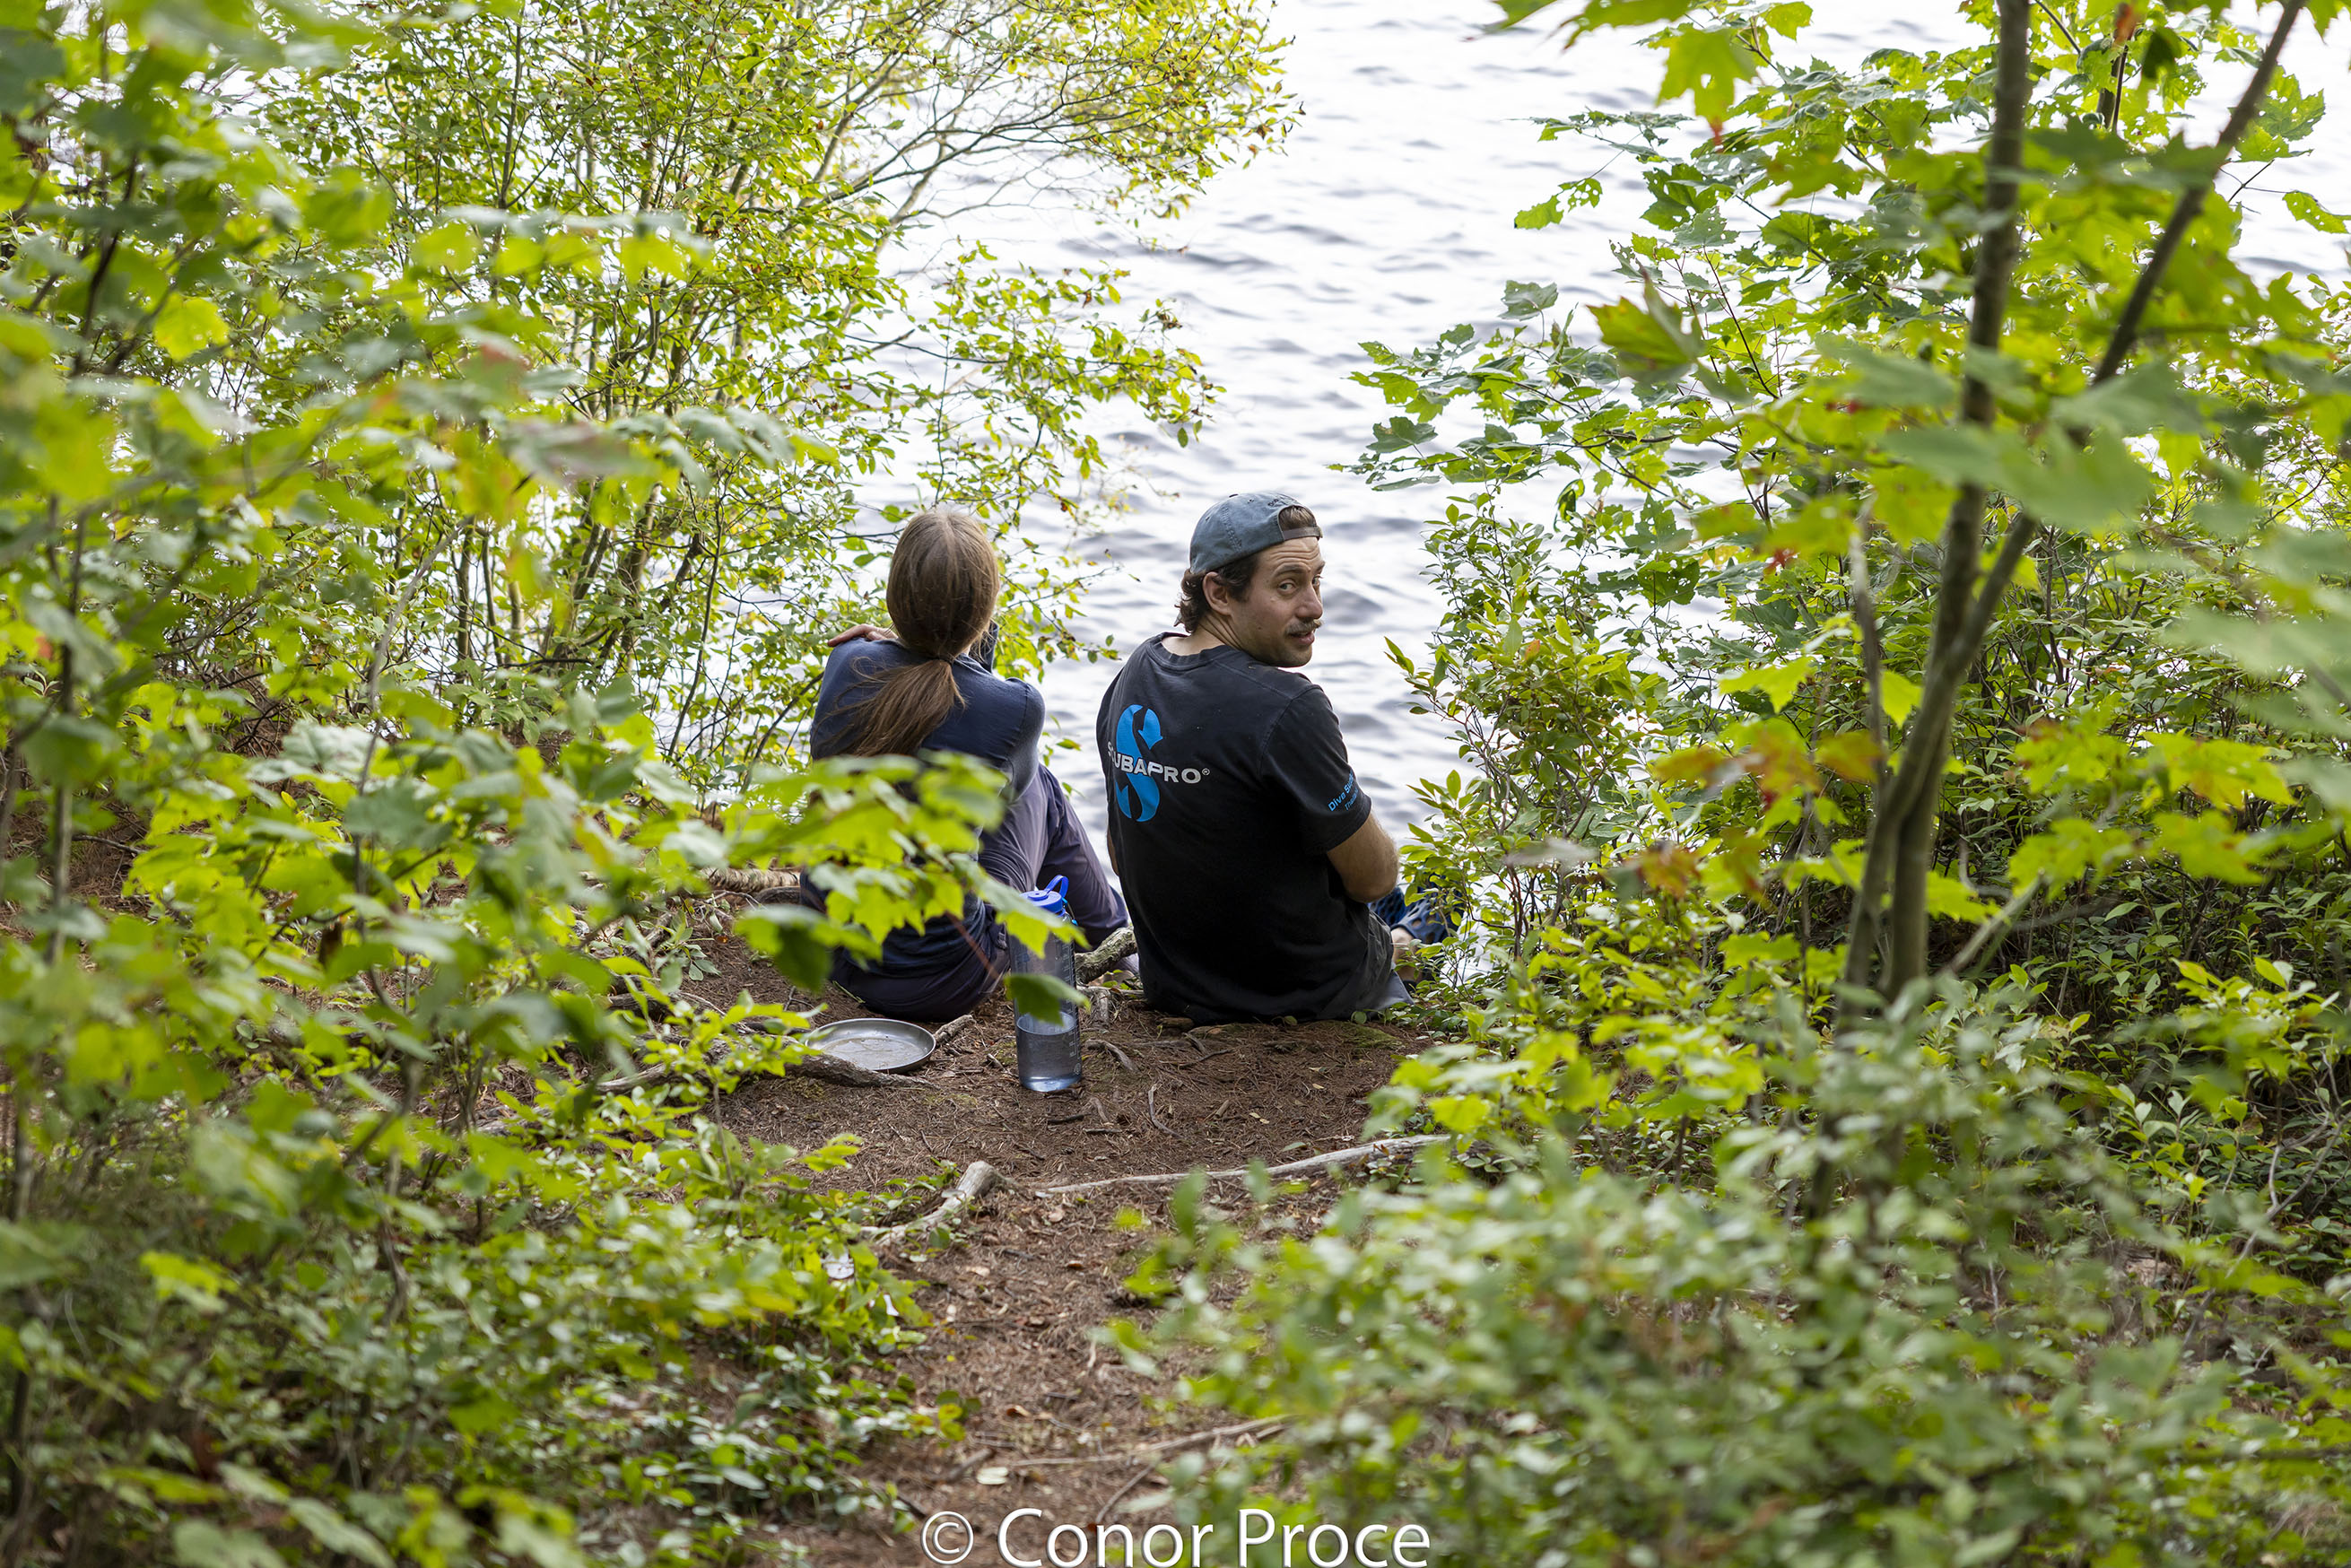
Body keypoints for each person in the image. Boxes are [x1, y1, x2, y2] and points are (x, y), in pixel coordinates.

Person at [1093, 492, 1407, 1024]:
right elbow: (1373, 880)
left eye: (1316, 581)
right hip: (1308, 995)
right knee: (1418, 900)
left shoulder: (1137, 671)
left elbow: (1121, 854)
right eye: (1287, 586)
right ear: (1219, 592)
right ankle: (1410, 940)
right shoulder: (1287, 706)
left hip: (1175, 985)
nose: (1314, 607)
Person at [809, 506, 1126, 1021]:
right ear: (986, 608)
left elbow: (934, 690)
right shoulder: (1017, 706)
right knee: (1039, 785)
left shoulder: (846, 658)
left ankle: (1117, 940)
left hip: (835, 953)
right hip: (943, 978)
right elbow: (1004, 795)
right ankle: (1118, 943)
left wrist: (896, 643)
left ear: (894, 595)